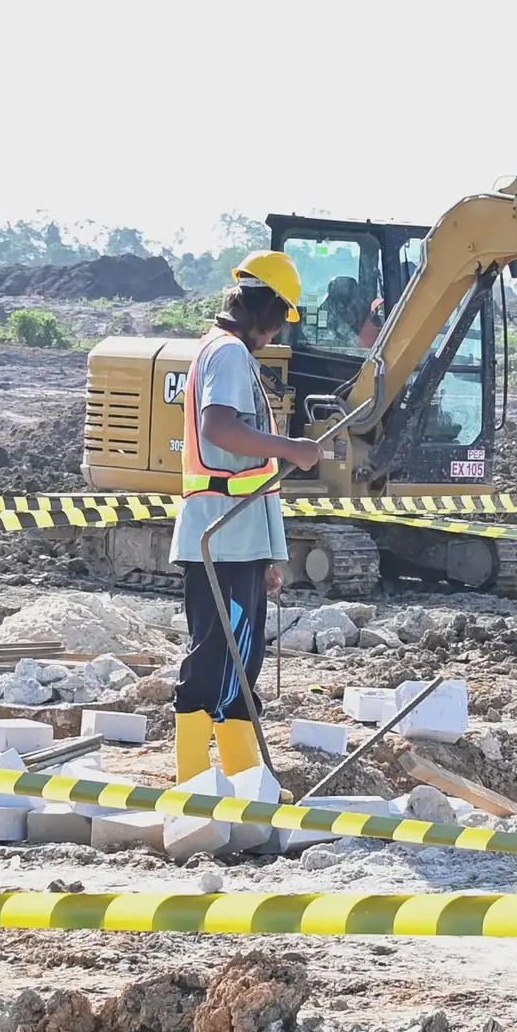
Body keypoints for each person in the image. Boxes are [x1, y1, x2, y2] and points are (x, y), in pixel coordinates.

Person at [172, 251, 327, 784]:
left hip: (239, 537)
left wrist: (269, 554)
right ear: (266, 307)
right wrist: (292, 448)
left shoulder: (228, 352)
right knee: (215, 663)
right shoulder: (230, 354)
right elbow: (220, 428)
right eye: (281, 317)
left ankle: (242, 786)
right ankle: (194, 790)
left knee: (239, 667)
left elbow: (250, 469)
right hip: (223, 534)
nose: (279, 330)